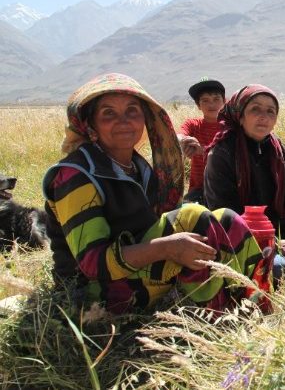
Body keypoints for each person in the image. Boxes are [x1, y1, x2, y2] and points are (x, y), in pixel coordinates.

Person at [42, 73, 272, 314]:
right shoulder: (75, 175)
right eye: (108, 113)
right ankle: (219, 317)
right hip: (95, 294)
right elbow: (92, 263)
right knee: (193, 216)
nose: (124, 121)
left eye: (132, 110)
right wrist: (168, 248)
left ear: (144, 119)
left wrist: (172, 244)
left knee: (226, 217)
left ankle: (258, 301)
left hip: (138, 271)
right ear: (90, 126)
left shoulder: (136, 166)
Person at [203, 84, 285, 276]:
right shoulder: (222, 154)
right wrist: (275, 244)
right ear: (240, 116)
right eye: (255, 109)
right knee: (280, 268)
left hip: (284, 235)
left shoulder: (283, 153)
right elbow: (225, 215)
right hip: (240, 241)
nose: (263, 116)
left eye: (270, 111)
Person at [178, 77, 225, 204]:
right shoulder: (193, 125)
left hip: (226, 187)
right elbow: (178, 137)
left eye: (216, 99)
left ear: (224, 101)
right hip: (198, 190)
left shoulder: (232, 128)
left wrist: (202, 150)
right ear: (198, 105)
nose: (211, 104)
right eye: (205, 100)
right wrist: (185, 141)